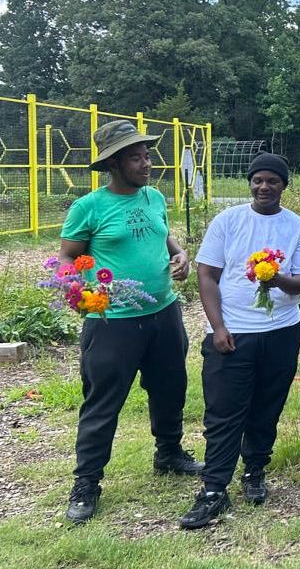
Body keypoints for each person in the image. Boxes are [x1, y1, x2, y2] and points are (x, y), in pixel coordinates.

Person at [60, 120, 199, 524]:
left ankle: (169, 453)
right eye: (136, 158)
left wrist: (180, 255)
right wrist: (75, 291)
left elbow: (163, 236)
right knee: (103, 401)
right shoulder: (89, 207)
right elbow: (68, 256)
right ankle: (86, 482)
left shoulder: (153, 197)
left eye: (147, 155)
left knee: (170, 388)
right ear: (113, 164)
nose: (146, 163)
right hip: (112, 321)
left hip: (163, 312)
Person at [179, 153, 300, 529]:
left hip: (282, 332)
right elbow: (207, 276)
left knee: (266, 406)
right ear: (250, 184)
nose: (264, 187)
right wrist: (218, 327)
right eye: (258, 180)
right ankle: (213, 489)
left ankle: (255, 469)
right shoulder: (228, 221)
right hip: (234, 334)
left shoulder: (297, 227)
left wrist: (277, 280)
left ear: (283, 185)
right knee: (224, 412)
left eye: (272, 181)